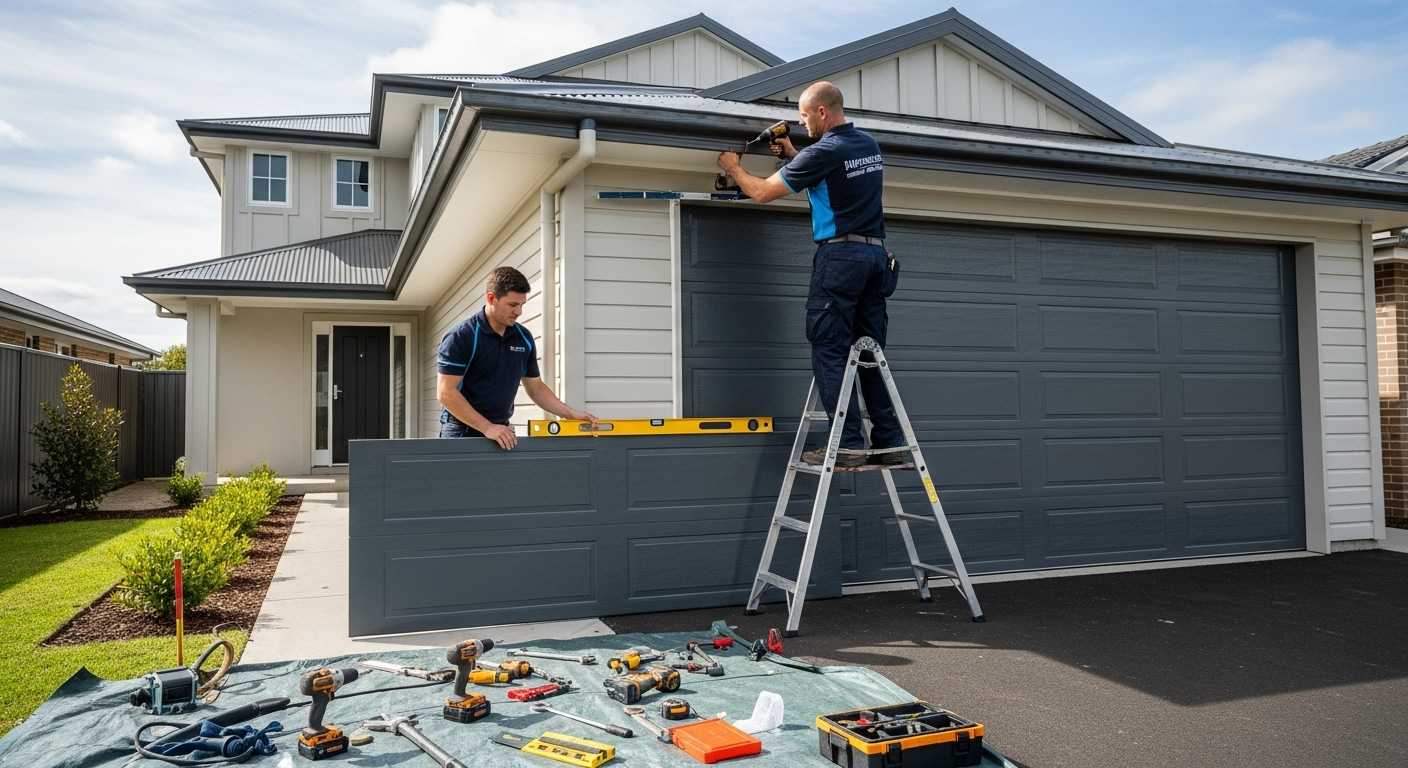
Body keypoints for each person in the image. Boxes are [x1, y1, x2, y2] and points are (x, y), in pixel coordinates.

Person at [716, 80, 902, 468]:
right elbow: (833, 177)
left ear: (822, 111)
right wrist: (795, 155)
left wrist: (734, 167)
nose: (801, 125)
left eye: (804, 117)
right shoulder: (866, 145)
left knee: (831, 350)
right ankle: (888, 441)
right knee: (868, 353)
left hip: (840, 259)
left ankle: (848, 443)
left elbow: (764, 192)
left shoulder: (826, 150)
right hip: (874, 258)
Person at [436, 266, 597, 449]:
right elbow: (445, 392)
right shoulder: (462, 336)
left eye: (522, 304)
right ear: (491, 298)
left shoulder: (524, 338)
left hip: (501, 431)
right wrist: (487, 427)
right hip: (461, 432)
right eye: (513, 305)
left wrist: (569, 413)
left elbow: (535, 387)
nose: (519, 311)